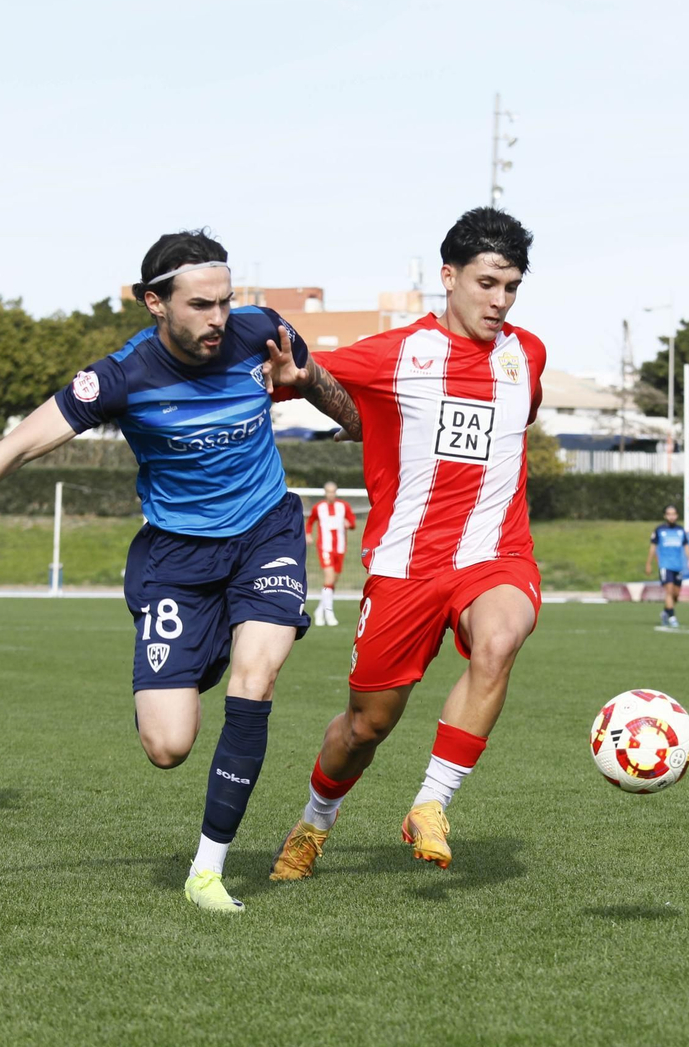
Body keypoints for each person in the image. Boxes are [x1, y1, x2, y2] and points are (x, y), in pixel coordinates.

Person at [0, 229, 360, 914]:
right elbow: (12, 449)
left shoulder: (262, 334)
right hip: (178, 562)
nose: (218, 318)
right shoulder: (122, 377)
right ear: (153, 303)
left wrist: (308, 386)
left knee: (259, 678)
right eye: (199, 305)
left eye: (225, 300)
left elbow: (348, 411)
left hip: (264, 535)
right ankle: (207, 646)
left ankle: (207, 871)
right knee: (168, 745)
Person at [269, 206, 546, 881]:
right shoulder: (399, 352)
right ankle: (314, 821)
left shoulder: (527, 356)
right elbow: (322, 382)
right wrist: (307, 389)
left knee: (502, 638)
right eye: (486, 283)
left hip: (494, 555)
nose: (499, 301)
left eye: (511, 287)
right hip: (403, 569)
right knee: (365, 728)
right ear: (447, 278)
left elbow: (498, 428)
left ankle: (432, 803)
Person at [305, 481, 355, 626]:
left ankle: (320, 610)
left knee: (333, 581)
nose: (331, 494)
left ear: (336, 492)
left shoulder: (343, 506)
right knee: (329, 577)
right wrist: (308, 534)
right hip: (325, 547)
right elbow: (310, 522)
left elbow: (352, 522)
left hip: (340, 548)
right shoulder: (318, 507)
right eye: (328, 491)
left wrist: (349, 524)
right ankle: (329, 613)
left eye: (333, 491)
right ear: (325, 492)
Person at [646, 504, 689, 628]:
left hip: (678, 566)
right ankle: (672, 617)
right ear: (665, 515)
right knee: (669, 590)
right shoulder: (659, 530)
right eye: (669, 514)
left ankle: (666, 612)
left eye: (674, 514)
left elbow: (686, 546)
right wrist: (649, 563)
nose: (671, 516)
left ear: (677, 515)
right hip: (665, 565)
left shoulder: (680, 530)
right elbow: (653, 548)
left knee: (676, 594)